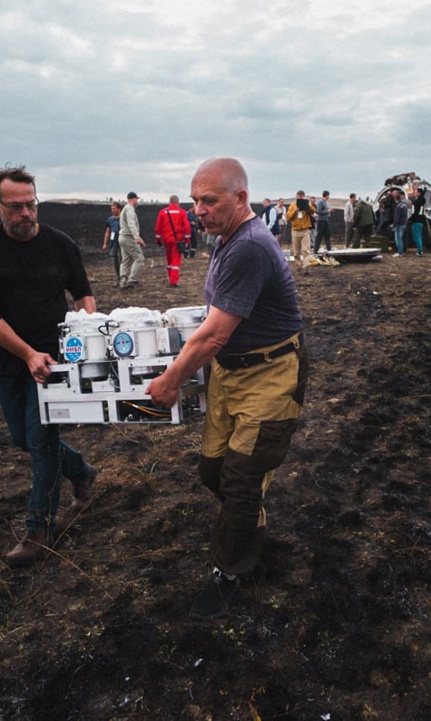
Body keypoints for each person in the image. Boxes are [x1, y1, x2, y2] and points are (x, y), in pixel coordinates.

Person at [146, 157, 308, 621]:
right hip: (230, 374)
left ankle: (231, 570)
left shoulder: (248, 246)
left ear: (241, 198)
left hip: (271, 376)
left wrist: (171, 380)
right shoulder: (225, 239)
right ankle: (249, 522)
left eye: (209, 200)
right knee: (213, 470)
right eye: (195, 199)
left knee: (240, 480)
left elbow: (215, 333)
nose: (198, 209)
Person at [0, 165, 98, 566]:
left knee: (40, 442)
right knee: (22, 438)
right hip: (8, 359)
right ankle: (82, 471)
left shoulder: (60, 244)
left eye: (31, 204)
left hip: (54, 361)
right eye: (16, 207)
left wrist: (87, 332)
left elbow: (83, 294)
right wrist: (26, 353)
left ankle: (38, 529)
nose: (26, 213)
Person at [155, 194, 192, 287]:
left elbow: (158, 227)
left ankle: (170, 276)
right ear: (178, 202)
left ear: (169, 202)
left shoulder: (162, 212)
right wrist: (187, 239)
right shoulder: (182, 212)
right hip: (177, 239)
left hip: (166, 239)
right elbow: (187, 227)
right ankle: (173, 281)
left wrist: (158, 239)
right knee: (176, 260)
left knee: (169, 259)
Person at [118, 192, 147, 288]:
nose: (137, 201)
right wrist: (137, 237)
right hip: (128, 237)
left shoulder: (124, 209)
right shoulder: (130, 209)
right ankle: (132, 279)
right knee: (139, 258)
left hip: (122, 237)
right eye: (136, 199)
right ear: (133, 199)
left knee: (125, 260)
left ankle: (123, 281)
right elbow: (131, 224)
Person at [286, 191, 314, 267]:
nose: (300, 197)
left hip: (305, 230)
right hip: (295, 230)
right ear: (296, 196)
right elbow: (288, 217)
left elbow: (313, 211)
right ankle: (298, 266)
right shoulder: (292, 206)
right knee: (296, 251)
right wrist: (294, 211)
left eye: (302, 196)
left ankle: (306, 266)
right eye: (299, 196)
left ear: (304, 196)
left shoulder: (307, 205)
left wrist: (308, 206)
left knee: (306, 250)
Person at [101, 202, 122, 285]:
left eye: (114, 209)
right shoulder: (110, 219)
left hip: (121, 244)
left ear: (119, 209)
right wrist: (105, 243)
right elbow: (107, 231)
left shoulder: (123, 218)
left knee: (122, 262)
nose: (112, 210)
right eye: (111, 209)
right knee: (115, 262)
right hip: (113, 244)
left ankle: (123, 279)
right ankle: (118, 279)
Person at [409, 187, 427, 256]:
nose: (414, 193)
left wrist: (410, 220)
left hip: (415, 221)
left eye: (416, 192)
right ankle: (420, 250)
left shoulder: (415, 203)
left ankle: (420, 251)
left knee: (416, 236)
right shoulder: (423, 202)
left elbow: (413, 213)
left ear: (419, 193)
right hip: (421, 221)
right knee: (419, 236)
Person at [392, 190, 410, 257]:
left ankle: (399, 252)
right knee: (401, 238)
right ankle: (401, 252)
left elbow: (396, 217)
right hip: (404, 224)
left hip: (399, 224)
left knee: (398, 239)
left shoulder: (398, 206)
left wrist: (394, 225)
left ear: (395, 199)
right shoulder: (404, 205)